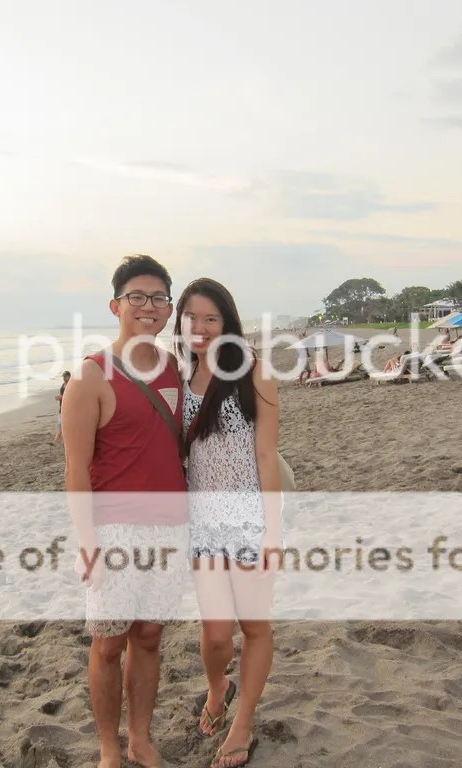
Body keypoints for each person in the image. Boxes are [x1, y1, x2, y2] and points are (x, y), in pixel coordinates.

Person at [60, 255, 188, 768]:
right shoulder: (90, 376)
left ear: (169, 308)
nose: (148, 306)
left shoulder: (175, 368)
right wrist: (87, 543)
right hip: (114, 531)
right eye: (137, 297)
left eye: (158, 298)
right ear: (116, 306)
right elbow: (75, 469)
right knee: (108, 643)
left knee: (150, 638)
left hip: (171, 527)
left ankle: (139, 738)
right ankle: (109, 747)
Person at [175, 278, 281, 768]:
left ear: (227, 322)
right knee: (216, 633)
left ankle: (243, 723)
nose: (200, 327)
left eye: (211, 318)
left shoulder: (254, 371)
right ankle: (218, 686)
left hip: (248, 518)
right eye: (191, 317)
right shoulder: (178, 377)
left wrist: (272, 531)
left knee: (254, 626)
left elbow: (266, 455)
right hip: (202, 524)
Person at [51, 371, 72, 444]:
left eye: (65, 376)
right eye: (63, 376)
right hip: (62, 407)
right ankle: (55, 440)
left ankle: (59, 440)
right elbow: (62, 395)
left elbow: (71, 396)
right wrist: (59, 397)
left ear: (69, 376)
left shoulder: (71, 385)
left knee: (66, 425)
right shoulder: (63, 384)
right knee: (59, 424)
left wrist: (62, 397)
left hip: (68, 408)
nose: (64, 378)